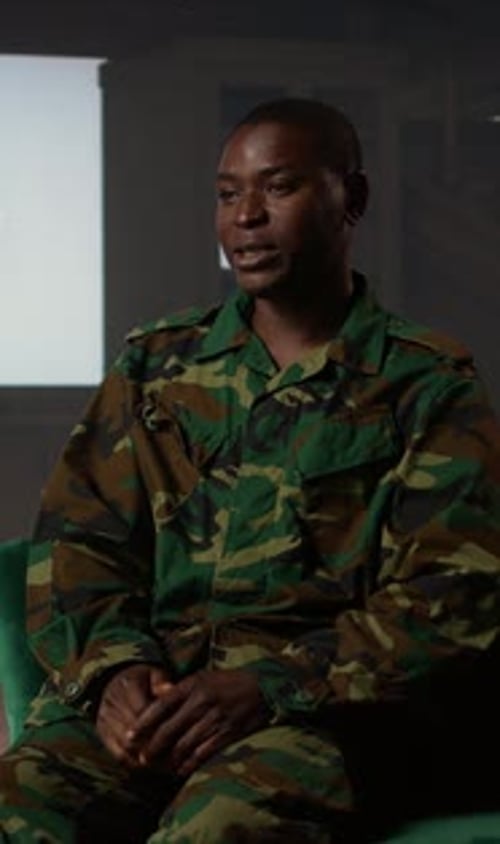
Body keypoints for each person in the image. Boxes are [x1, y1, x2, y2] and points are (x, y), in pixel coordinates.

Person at [1, 97, 500, 843]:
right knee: (18, 803)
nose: (247, 218)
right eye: (228, 193)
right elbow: (79, 544)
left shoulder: (425, 383)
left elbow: (452, 595)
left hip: (323, 720)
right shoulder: (156, 365)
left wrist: (268, 687)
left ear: (350, 199)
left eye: (280, 187)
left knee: (218, 825)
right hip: (155, 703)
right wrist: (115, 676)